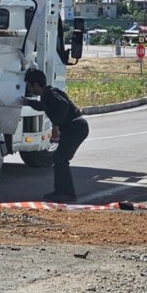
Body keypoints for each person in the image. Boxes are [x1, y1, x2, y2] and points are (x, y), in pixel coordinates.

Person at [23, 68, 89, 203]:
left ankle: (67, 194)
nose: (29, 88)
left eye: (29, 85)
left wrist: (55, 127)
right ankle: (60, 192)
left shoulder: (51, 94)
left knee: (60, 159)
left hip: (75, 127)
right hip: (75, 127)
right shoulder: (49, 94)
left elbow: (63, 106)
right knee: (59, 159)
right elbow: (43, 106)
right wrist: (27, 102)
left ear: (36, 85)